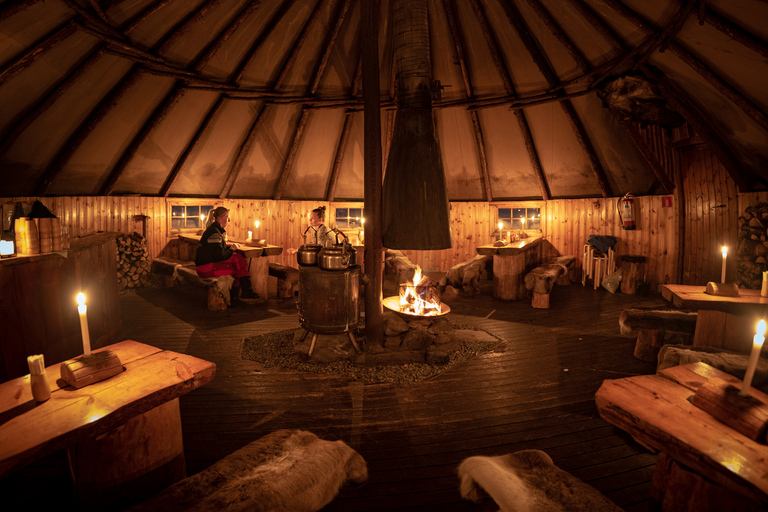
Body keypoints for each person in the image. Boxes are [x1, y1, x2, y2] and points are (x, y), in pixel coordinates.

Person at [195, 206, 259, 300]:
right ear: (220, 218)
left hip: (205, 265)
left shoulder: (214, 229)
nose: (228, 220)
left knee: (238, 260)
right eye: (227, 217)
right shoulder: (215, 233)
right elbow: (220, 256)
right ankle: (241, 294)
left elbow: (217, 251)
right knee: (238, 265)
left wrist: (230, 247)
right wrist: (232, 248)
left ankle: (240, 295)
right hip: (205, 269)